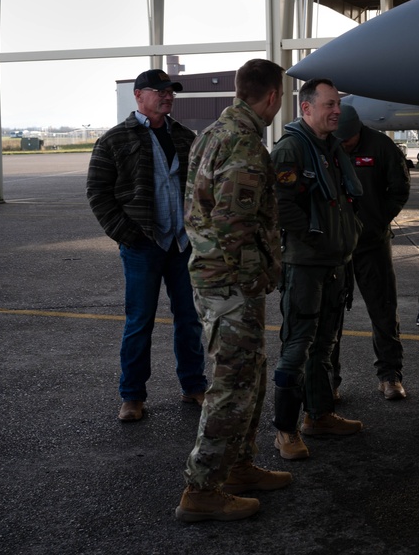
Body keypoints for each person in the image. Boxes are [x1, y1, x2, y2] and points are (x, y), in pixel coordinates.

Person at [175, 58, 289, 522]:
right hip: (230, 283)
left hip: (212, 275)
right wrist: (252, 279)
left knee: (251, 372)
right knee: (232, 383)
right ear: (272, 98)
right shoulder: (242, 142)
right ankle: (201, 489)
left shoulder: (213, 132)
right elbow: (232, 222)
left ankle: (238, 465)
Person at [86, 69, 207, 422]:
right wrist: (126, 234)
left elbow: (201, 188)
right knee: (139, 321)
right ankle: (132, 396)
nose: (168, 96)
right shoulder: (114, 141)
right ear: (139, 96)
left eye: (171, 91)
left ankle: (194, 386)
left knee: (189, 320)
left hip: (183, 245)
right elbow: (98, 193)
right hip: (142, 246)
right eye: (160, 91)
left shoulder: (185, 137)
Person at [269, 77, 364, 460]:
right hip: (306, 265)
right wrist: (313, 238)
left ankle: (319, 415)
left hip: (334, 263)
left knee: (325, 345)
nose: (337, 110)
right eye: (329, 104)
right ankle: (286, 432)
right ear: (306, 108)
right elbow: (278, 203)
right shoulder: (292, 148)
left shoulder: (330, 148)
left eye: (337, 104)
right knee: (297, 348)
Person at [330, 104, 411, 400]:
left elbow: (400, 188)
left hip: (372, 245)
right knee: (331, 317)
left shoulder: (381, 146)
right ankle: (331, 380)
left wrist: (377, 221)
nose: (344, 145)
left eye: (348, 140)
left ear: (358, 132)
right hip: (337, 247)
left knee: (383, 311)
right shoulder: (326, 145)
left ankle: (390, 376)